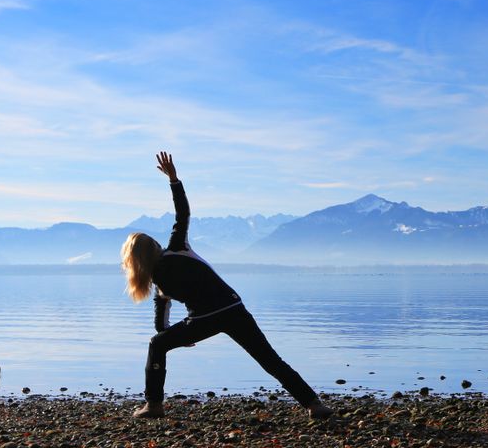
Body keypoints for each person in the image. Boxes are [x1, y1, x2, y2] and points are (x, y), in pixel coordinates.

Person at [120, 151, 332, 420]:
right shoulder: (173, 254)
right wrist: (174, 180)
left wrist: (177, 337)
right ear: (152, 248)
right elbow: (182, 214)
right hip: (233, 308)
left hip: (205, 319)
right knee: (269, 360)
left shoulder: (168, 261)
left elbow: (161, 324)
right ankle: (313, 404)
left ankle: (154, 405)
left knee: (157, 344)